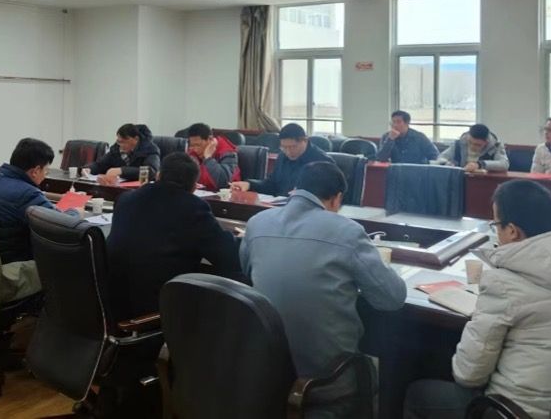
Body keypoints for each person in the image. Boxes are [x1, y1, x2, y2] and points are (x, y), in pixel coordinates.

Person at [403, 180, 551, 419]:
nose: (496, 231)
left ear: (512, 231)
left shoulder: (503, 282)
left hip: (517, 411)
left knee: (417, 393)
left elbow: (469, 375)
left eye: (496, 224)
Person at [241, 162, 406, 417]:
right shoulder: (347, 231)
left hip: (268, 375)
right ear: (337, 199)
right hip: (328, 380)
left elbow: (246, 268)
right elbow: (392, 298)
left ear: (296, 189)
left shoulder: (256, 223)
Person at [106, 152, 244, 323]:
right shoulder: (193, 208)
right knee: (238, 280)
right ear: (194, 187)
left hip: (113, 302)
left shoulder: (126, 199)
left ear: (158, 175)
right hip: (158, 308)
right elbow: (228, 257)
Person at [0, 138, 80, 264]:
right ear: (35, 171)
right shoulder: (28, 194)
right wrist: (75, 212)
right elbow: (63, 227)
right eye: (46, 171)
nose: (45, 175)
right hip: (13, 264)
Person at [230, 123, 333, 196]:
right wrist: (249, 185)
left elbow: (328, 197)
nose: (288, 152)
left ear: (305, 140)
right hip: (280, 209)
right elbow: (271, 185)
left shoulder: (323, 162)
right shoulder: (282, 156)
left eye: (292, 147)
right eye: (284, 147)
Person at [89, 123, 161, 185]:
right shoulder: (116, 149)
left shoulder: (150, 150)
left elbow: (151, 171)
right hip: (118, 187)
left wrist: (122, 171)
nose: (121, 145)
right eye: (119, 141)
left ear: (136, 139)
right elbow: (100, 165)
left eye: (124, 142)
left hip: (140, 188)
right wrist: (89, 169)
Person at [186, 122, 240, 191]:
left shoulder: (228, 152)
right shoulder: (192, 151)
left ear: (210, 139)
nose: (195, 150)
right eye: (192, 145)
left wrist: (208, 158)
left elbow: (223, 182)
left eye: (198, 145)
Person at [437, 123, 508, 172]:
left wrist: (480, 165)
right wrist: (447, 164)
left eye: (477, 145)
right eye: (470, 142)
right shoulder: (460, 142)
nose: (472, 147)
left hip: (484, 181)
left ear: (486, 142)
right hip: (460, 179)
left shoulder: (496, 146)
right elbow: (441, 157)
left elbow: (504, 164)